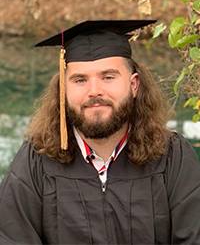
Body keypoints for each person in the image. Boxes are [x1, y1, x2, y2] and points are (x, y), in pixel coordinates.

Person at [0, 20, 200, 245]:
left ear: (134, 85)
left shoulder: (172, 156)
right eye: (80, 80)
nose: (94, 91)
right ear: (63, 89)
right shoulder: (36, 160)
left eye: (108, 77)